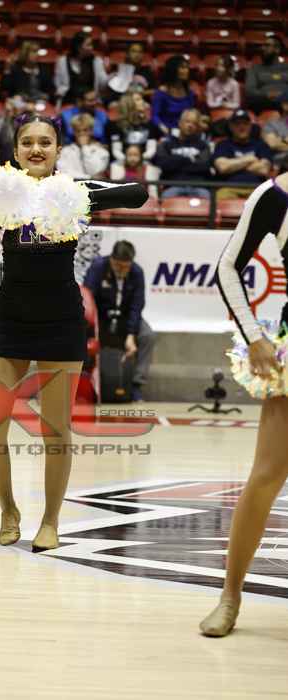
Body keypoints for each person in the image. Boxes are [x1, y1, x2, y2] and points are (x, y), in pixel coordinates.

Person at [0, 114, 148, 553]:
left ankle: (50, 521)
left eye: (45, 142)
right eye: (27, 142)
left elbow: (137, 194)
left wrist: (78, 191)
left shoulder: (75, 193)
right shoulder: (1, 194)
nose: (36, 149)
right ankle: (8, 509)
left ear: (58, 150)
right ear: (14, 152)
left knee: (56, 430)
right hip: (10, 318)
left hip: (61, 320)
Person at [199, 172, 288, 637]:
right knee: (267, 476)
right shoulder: (275, 195)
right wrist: (254, 335)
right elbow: (228, 266)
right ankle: (230, 596)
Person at [83, 241, 155, 402]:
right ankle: (85, 381)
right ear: (111, 259)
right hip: (101, 317)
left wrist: (131, 334)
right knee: (80, 332)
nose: (121, 270)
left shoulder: (137, 272)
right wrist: (92, 327)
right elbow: (88, 298)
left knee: (148, 336)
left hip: (125, 317)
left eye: (125, 267)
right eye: (117, 265)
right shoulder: (98, 267)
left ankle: (136, 386)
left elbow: (137, 306)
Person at [213, 109, 272, 202]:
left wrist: (233, 165)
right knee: (218, 199)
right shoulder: (223, 145)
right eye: (237, 124)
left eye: (245, 123)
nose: (241, 127)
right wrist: (250, 159)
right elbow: (223, 167)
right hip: (228, 189)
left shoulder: (261, 145)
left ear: (250, 126)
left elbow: (263, 169)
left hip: (255, 189)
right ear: (231, 126)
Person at [153, 109, 211, 199]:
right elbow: (162, 163)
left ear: (197, 127)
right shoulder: (167, 144)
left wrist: (175, 160)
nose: (190, 125)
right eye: (187, 121)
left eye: (194, 123)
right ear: (180, 123)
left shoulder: (203, 145)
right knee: (166, 199)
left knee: (208, 199)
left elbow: (204, 166)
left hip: (198, 187)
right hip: (173, 186)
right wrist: (189, 160)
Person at [54, 31, 108, 105]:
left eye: (91, 44)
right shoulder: (62, 61)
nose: (91, 48)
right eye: (88, 45)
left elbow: (103, 83)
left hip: (91, 101)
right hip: (69, 100)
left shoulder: (97, 61)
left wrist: (112, 79)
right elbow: (58, 84)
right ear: (78, 47)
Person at [107, 92, 161, 165]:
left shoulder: (150, 124)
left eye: (141, 99)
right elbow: (116, 151)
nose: (142, 102)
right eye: (138, 99)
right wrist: (129, 161)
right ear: (128, 103)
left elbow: (151, 149)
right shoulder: (115, 125)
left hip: (144, 162)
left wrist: (139, 160)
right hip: (122, 162)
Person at [151, 55, 196, 136]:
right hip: (166, 131)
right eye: (182, 68)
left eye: (187, 68)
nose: (186, 70)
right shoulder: (161, 92)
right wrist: (164, 129)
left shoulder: (189, 92)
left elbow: (191, 113)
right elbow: (155, 116)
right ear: (173, 70)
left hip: (185, 132)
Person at [56, 113, 110, 179]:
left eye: (85, 130)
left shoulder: (102, 152)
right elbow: (63, 172)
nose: (81, 133)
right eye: (78, 131)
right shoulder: (65, 151)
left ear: (91, 131)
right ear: (73, 131)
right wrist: (88, 177)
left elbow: (94, 171)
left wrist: (84, 147)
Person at [245, 35, 288, 114]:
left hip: (285, 100)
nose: (263, 48)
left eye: (267, 45)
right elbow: (250, 90)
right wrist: (269, 94)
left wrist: (283, 96)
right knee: (253, 100)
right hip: (263, 103)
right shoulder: (254, 69)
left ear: (277, 49)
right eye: (263, 46)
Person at [0, 95, 36, 166]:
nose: (15, 105)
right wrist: (8, 113)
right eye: (13, 102)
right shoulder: (7, 119)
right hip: (7, 158)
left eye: (18, 102)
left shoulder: (31, 118)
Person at [261, 90, 288, 168]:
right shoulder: (271, 124)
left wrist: (283, 140)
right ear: (284, 105)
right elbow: (272, 144)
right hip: (281, 165)